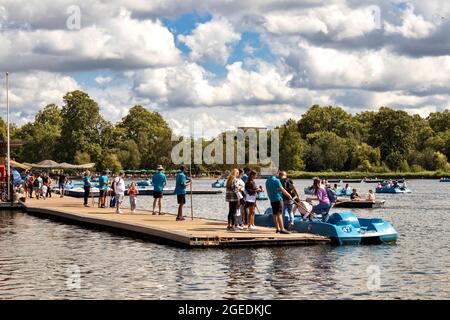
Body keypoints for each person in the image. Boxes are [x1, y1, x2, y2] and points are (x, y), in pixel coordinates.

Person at [265, 170, 293, 234]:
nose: (278, 174)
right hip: (278, 199)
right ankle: (282, 229)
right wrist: (289, 196)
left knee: (275, 215)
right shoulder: (276, 180)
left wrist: (270, 198)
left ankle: (277, 229)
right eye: (278, 173)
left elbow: (267, 190)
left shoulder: (267, 180)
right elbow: (283, 190)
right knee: (279, 214)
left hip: (272, 199)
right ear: (276, 173)